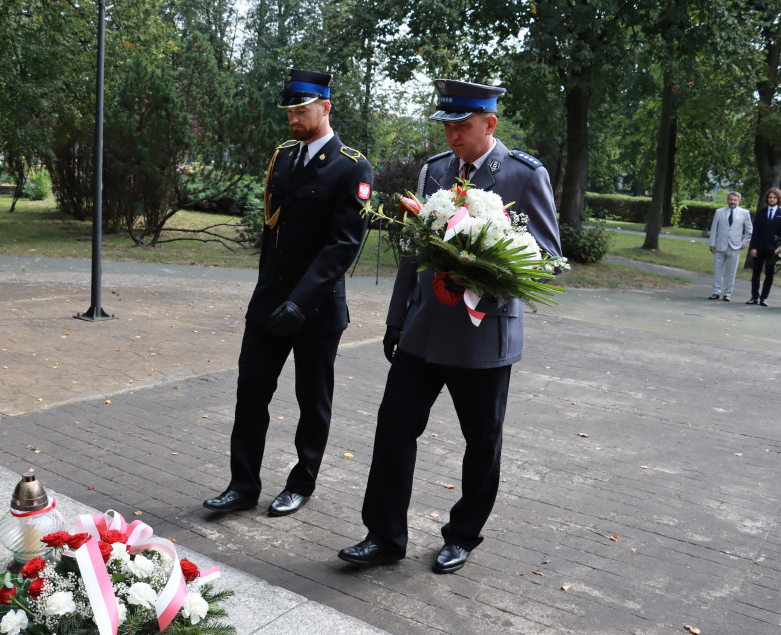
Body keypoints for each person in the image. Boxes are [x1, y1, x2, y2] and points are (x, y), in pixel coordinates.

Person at [338, 79, 561, 573]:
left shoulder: (525, 175)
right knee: (394, 427)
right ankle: (383, 535)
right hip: (424, 330)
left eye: (462, 126)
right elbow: (413, 253)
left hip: (484, 336)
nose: (453, 135)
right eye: (447, 125)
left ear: (490, 123)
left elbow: (549, 258)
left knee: (481, 442)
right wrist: (396, 320)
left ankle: (462, 534)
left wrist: (486, 266)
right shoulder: (436, 171)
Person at [204, 67, 373, 517]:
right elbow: (271, 233)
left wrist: (301, 301)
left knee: (311, 402)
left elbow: (343, 245)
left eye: (302, 110)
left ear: (325, 107)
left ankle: (302, 482)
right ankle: (242, 485)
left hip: (315, 310)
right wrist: (268, 295)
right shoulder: (283, 157)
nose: (294, 119)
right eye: (290, 111)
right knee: (250, 394)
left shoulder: (352, 166)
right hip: (269, 304)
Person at [707, 191, 752, 302]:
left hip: (735, 246)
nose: (732, 202)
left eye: (735, 200)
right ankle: (716, 292)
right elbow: (714, 229)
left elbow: (749, 230)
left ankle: (727, 294)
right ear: (727, 200)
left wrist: (745, 242)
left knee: (731, 271)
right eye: (731, 199)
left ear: (739, 201)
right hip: (719, 246)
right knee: (718, 270)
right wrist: (712, 243)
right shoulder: (719, 212)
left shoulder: (744, 213)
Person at [747, 187, 781, 307]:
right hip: (759, 248)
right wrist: (753, 247)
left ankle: (764, 298)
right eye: (770, 197)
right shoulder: (761, 212)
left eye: (774, 198)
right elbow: (755, 231)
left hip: (774, 250)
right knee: (756, 273)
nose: (772, 199)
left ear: (778, 199)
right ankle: (754, 296)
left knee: (770, 274)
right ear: (767, 199)